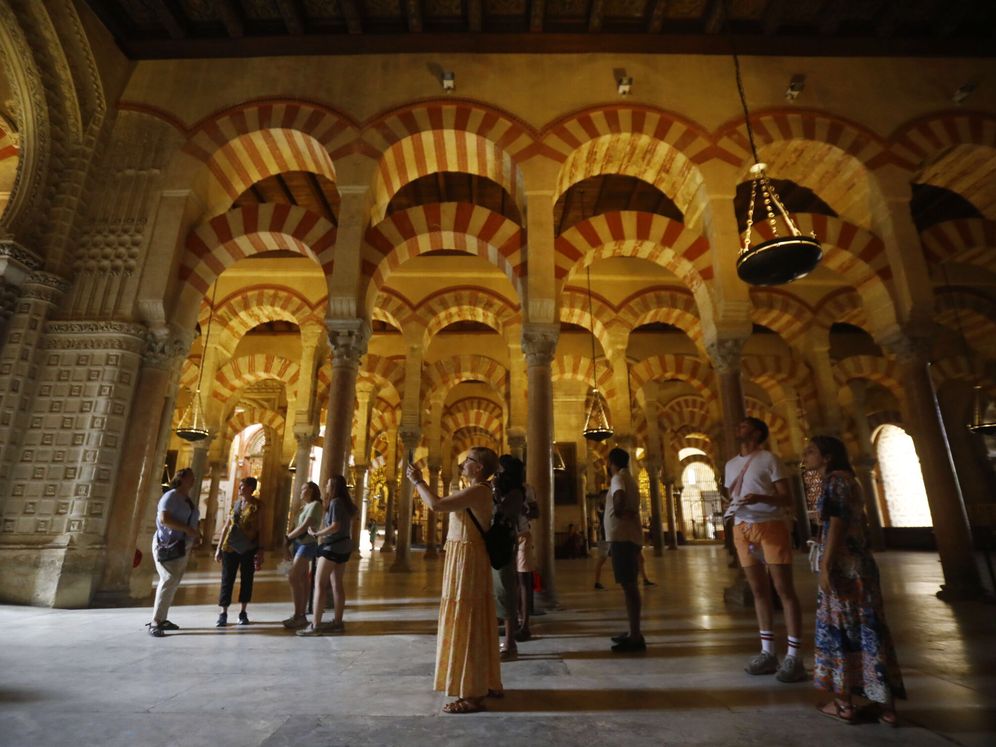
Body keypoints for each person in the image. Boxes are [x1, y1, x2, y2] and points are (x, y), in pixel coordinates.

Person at [804, 436, 905, 725]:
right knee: (869, 629)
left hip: (843, 568)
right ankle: (886, 707)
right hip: (861, 564)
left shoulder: (835, 481)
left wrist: (826, 565)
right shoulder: (849, 480)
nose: (805, 456)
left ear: (827, 457)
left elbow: (837, 523)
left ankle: (844, 705)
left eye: (811, 451)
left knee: (841, 630)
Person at [406, 447, 502, 714]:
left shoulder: (479, 490)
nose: (462, 463)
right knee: (470, 617)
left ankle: (472, 694)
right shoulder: (476, 489)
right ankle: (484, 680)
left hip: (468, 560)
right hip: (463, 556)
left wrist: (417, 481)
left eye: (468, 460)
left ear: (479, 467)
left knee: (467, 619)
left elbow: (436, 505)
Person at [724, 417, 806, 683]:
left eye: (744, 425)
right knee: (759, 591)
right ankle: (768, 652)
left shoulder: (770, 459)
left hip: (769, 525)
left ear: (758, 433)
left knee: (783, 590)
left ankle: (794, 656)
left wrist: (761, 498)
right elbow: (732, 496)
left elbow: (786, 498)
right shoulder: (730, 465)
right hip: (741, 528)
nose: (739, 428)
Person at [297, 475, 356, 635]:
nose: (326, 487)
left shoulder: (336, 502)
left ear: (334, 487)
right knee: (337, 585)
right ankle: (338, 622)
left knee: (319, 585)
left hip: (333, 547)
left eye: (328, 484)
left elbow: (335, 526)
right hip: (344, 546)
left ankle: (315, 625)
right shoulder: (345, 503)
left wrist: (318, 533)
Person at [147, 468, 201, 637]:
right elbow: (164, 518)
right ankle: (156, 622)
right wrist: (187, 529)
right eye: (191, 477)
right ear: (182, 479)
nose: (193, 480)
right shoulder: (171, 496)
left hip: (181, 545)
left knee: (173, 582)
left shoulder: (187, 499)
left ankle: (162, 619)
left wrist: (195, 534)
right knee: (168, 579)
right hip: (166, 544)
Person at [605, 447, 646, 653]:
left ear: (611, 462)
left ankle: (635, 636)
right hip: (628, 536)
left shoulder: (617, 479)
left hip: (622, 537)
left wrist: (620, 512)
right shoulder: (629, 478)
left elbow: (619, 498)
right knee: (630, 585)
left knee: (629, 586)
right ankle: (633, 631)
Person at [215, 476, 264, 627]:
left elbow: (261, 528)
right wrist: (218, 547)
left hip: (248, 548)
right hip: (229, 547)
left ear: (250, 488)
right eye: (240, 486)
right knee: (227, 579)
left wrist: (261, 549)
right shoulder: (236, 504)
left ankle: (243, 612)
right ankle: (223, 613)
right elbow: (227, 526)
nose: (240, 488)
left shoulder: (258, 506)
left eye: (243, 486)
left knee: (247, 578)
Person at [493, 454, 525, 659]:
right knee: (499, 590)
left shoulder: (516, 493)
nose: (497, 473)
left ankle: (510, 643)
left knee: (506, 591)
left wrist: (495, 491)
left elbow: (503, 512)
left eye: (501, 470)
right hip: (497, 541)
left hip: (504, 542)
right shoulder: (507, 491)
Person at [282, 480, 323, 630]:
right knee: (302, 580)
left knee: (293, 576)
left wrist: (288, 538)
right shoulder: (304, 507)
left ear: (311, 491)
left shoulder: (316, 505)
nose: (300, 492)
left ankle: (299, 615)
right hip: (298, 544)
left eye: (303, 489)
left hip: (307, 544)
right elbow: (295, 525)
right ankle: (300, 615)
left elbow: (305, 526)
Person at [515, 493, 538, 642]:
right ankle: (515, 619)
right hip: (506, 536)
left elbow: (536, 512)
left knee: (523, 579)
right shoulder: (496, 484)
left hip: (522, 536)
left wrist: (526, 510)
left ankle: (525, 624)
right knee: (511, 581)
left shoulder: (526, 489)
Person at [592, 491, 610, 589]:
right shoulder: (602, 510)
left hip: (609, 535)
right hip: (605, 537)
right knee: (602, 559)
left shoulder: (607, 509)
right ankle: (597, 582)